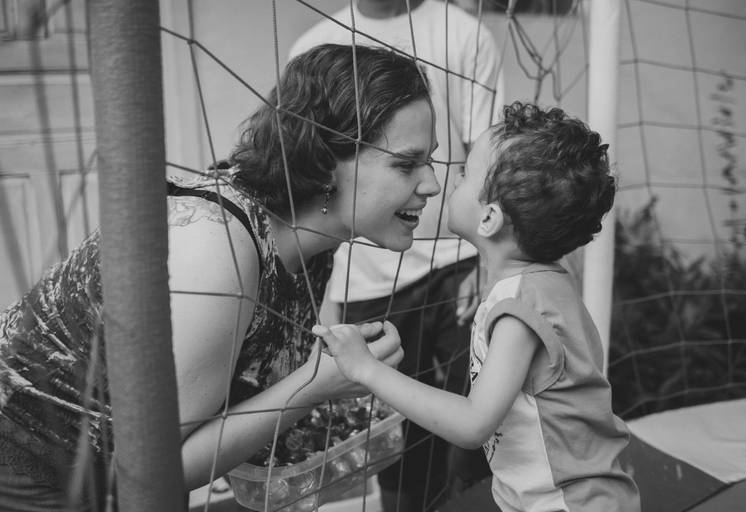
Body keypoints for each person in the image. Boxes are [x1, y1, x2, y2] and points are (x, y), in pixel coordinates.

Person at [0, 43, 438, 511]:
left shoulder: (316, 241)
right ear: (326, 161)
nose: (432, 183)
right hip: (26, 464)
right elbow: (157, 469)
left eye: (431, 160)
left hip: (100, 476)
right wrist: (316, 385)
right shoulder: (217, 245)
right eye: (406, 163)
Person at [314, 102, 642, 512]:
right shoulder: (544, 284)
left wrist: (367, 369)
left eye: (465, 173)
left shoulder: (521, 308)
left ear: (488, 219)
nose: (448, 181)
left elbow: (472, 425)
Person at [290, 2, 503, 509]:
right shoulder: (313, 46)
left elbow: (490, 157)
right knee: (398, 449)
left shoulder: (464, 33)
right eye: (410, 164)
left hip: (457, 260)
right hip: (366, 277)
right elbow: (306, 170)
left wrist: (490, 262)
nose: (430, 181)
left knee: (482, 436)